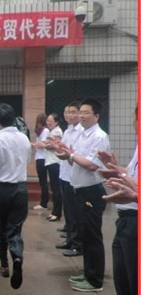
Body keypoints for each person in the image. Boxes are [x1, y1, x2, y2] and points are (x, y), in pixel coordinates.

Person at [54, 98, 110, 292]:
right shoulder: (82, 135)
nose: (82, 116)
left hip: (91, 191)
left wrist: (70, 156)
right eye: (81, 112)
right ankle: (88, 272)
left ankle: (95, 280)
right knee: (85, 234)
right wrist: (67, 155)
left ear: (97, 116)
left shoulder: (99, 136)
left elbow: (93, 165)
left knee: (93, 236)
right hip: (79, 190)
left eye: (86, 113)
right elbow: (75, 161)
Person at [98, 106, 138, 295]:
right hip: (125, 220)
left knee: (136, 283)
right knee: (124, 280)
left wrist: (134, 194)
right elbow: (133, 177)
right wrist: (119, 170)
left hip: (136, 219)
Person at [0, 103, 30, 289]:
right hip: (20, 189)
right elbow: (27, 161)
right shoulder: (24, 138)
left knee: (0, 228)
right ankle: (17, 256)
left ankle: (4, 265)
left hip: (1, 190)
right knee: (14, 229)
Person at [47, 102, 83, 255]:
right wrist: (58, 146)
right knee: (68, 210)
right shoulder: (68, 131)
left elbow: (74, 154)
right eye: (67, 112)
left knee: (74, 212)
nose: (69, 115)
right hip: (65, 173)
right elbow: (65, 150)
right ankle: (70, 238)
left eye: (73, 112)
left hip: (73, 176)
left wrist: (62, 150)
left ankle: (76, 244)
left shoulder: (80, 131)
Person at [44, 113, 63, 221]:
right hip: (51, 162)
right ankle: (54, 212)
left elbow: (54, 146)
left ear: (56, 122)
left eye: (50, 121)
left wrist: (43, 145)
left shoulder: (57, 131)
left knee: (56, 189)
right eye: (47, 120)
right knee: (54, 188)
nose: (48, 122)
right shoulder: (52, 131)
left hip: (55, 162)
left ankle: (57, 212)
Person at [31, 113, 49, 211]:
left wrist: (33, 144)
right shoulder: (41, 131)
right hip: (39, 157)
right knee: (42, 181)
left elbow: (42, 144)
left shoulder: (45, 131)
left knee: (43, 181)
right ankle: (43, 202)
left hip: (43, 158)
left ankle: (44, 203)